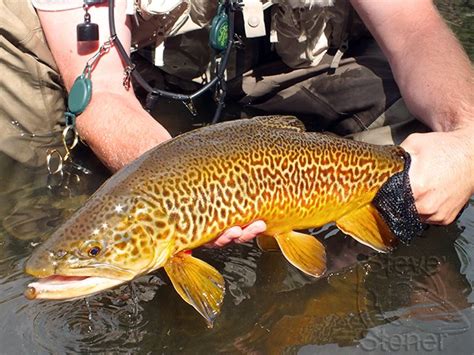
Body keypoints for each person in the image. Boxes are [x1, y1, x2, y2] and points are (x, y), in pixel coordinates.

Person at [1, 0, 473, 247]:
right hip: (155, 77)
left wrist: (468, 142)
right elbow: (102, 91)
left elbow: (415, 32)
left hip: (304, 66)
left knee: (421, 163)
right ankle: (32, 216)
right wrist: (181, 201)